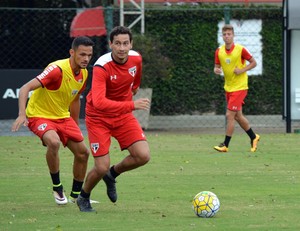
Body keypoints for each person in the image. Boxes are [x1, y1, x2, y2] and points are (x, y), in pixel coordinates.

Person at [11, 36, 94, 205]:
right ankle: (57, 188)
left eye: (89, 55)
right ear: (72, 52)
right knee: (53, 143)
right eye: (82, 54)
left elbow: (75, 99)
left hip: (62, 117)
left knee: (83, 153)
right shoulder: (57, 69)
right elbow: (25, 88)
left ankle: (76, 196)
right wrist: (22, 114)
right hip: (39, 115)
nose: (86, 58)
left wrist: (75, 125)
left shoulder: (84, 73)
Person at [76, 26, 151, 212]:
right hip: (98, 118)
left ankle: (112, 175)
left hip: (123, 116)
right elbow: (100, 103)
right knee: (100, 166)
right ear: (111, 45)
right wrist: (132, 105)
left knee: (143, 155)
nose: (122, 48)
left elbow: (136, 80)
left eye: (126, 43)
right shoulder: (102, 66)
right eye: (117, 43)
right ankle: (84, 196)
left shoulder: (136, 59)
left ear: (131, 44)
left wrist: (131, 95)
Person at [213, 24, 260, 153]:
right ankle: (253, 137)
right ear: (222, 36)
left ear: (233, 36)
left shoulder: (240, 50)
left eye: (229, 34)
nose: (227, 36)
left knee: (229, 115)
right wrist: (216, 70)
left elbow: (254, 63)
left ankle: (225, 145)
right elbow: (216, 66)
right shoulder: (219, 51)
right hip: (228, 88)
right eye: (224, 34)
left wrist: (242, 70)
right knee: (238, 116)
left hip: (240, 87)